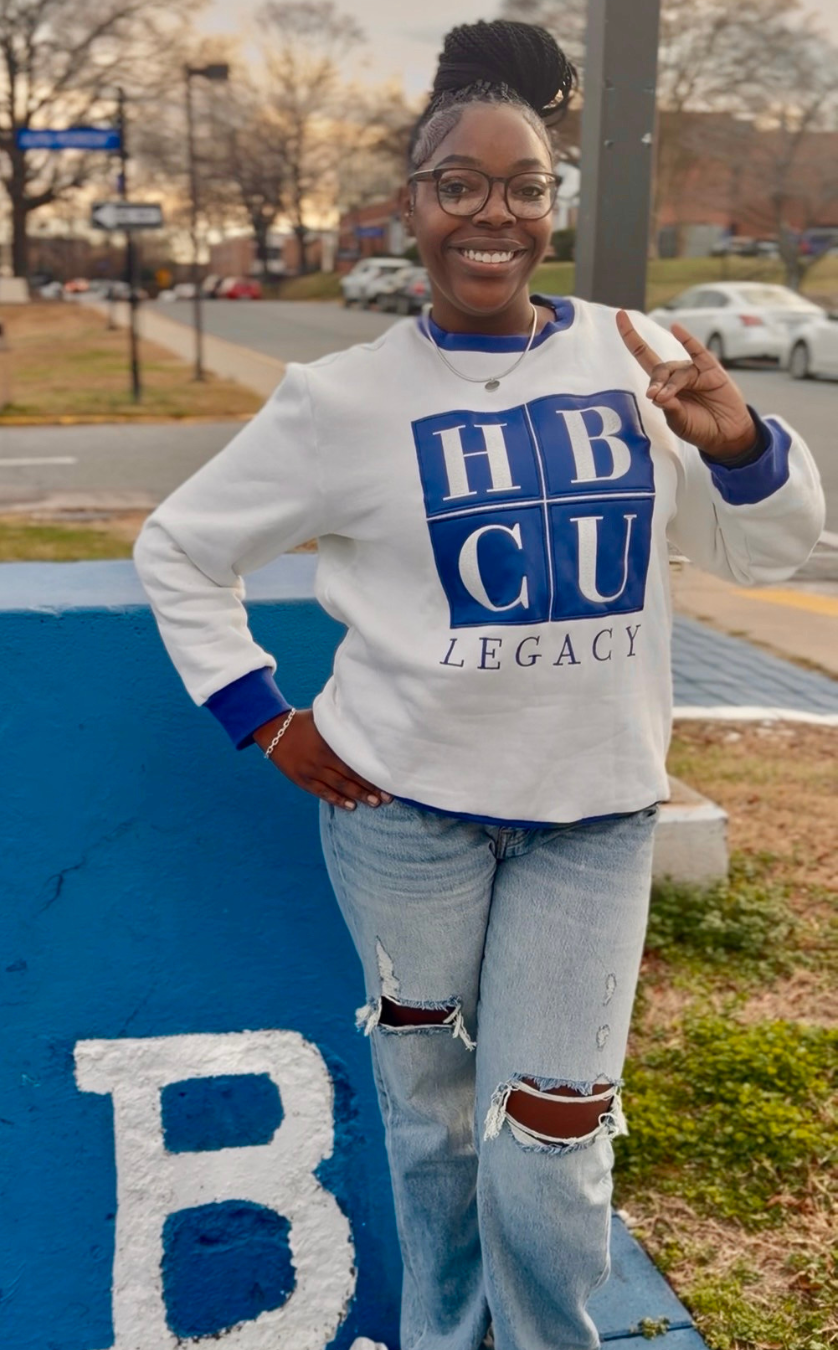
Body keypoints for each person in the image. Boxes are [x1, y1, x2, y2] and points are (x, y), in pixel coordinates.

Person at [133, 20, 824, 1350]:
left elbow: (769, 546)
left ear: (551, 205)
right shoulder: (340, 399)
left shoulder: (635, 357)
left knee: (549, 1145)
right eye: (460, 184)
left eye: (522, 185)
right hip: (404, 824)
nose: (490, 212)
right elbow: (180, 545)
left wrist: (736, 440)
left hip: (595, 821)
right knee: (432, 1124)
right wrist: (263, 718)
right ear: (416, 204)